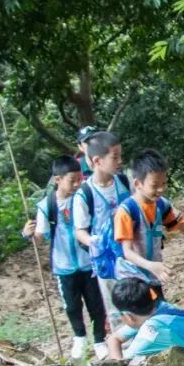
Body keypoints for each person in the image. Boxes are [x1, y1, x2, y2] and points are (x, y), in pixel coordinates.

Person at [22, 155, 108, 360]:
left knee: (96, 304)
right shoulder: (47, 205)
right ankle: (80, 338)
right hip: (64, 266)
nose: (77, 184)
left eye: (80, 179)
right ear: (57, 179)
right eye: (72, 180)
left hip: (89, 262)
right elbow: (40, 237)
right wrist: (28, 234)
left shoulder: (84, 197)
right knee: (71, 305)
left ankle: (99, 340)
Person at [113, 149, 184, 294]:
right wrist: (151, 266)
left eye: (164, 183)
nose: (161, 189)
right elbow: (127, 252)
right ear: (138, 183)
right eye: (155, 185)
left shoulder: (161, 205)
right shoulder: (127, 211)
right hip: (132, 281)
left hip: (153, 275)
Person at [72, 131, 130, 329]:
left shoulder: (124, 182)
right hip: (106, 259)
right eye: (115, 157)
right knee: (115, 305)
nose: (119, 161)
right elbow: (79, 231)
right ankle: (123, 343)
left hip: (131, 251)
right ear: (97, 160)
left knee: (139, 297)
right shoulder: (85, 194)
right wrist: (94, 242)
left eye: (120, 156)